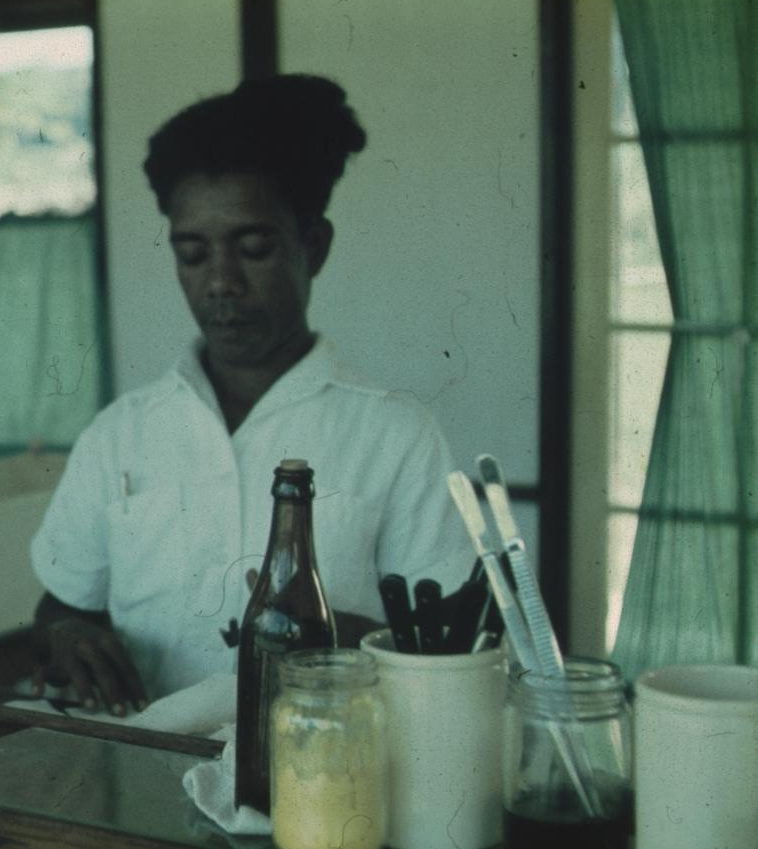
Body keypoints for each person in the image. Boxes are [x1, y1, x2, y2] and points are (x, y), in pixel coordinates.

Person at [28, 75, 473, 716]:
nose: (221, 283)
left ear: (312, 247)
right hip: (142, 764)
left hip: (326, 772)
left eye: (255, 248)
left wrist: (345, 640)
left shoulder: (395, 434)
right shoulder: (120, 435)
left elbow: (447, 643)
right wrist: (67, 636)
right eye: (192, 252)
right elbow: (62, 605)